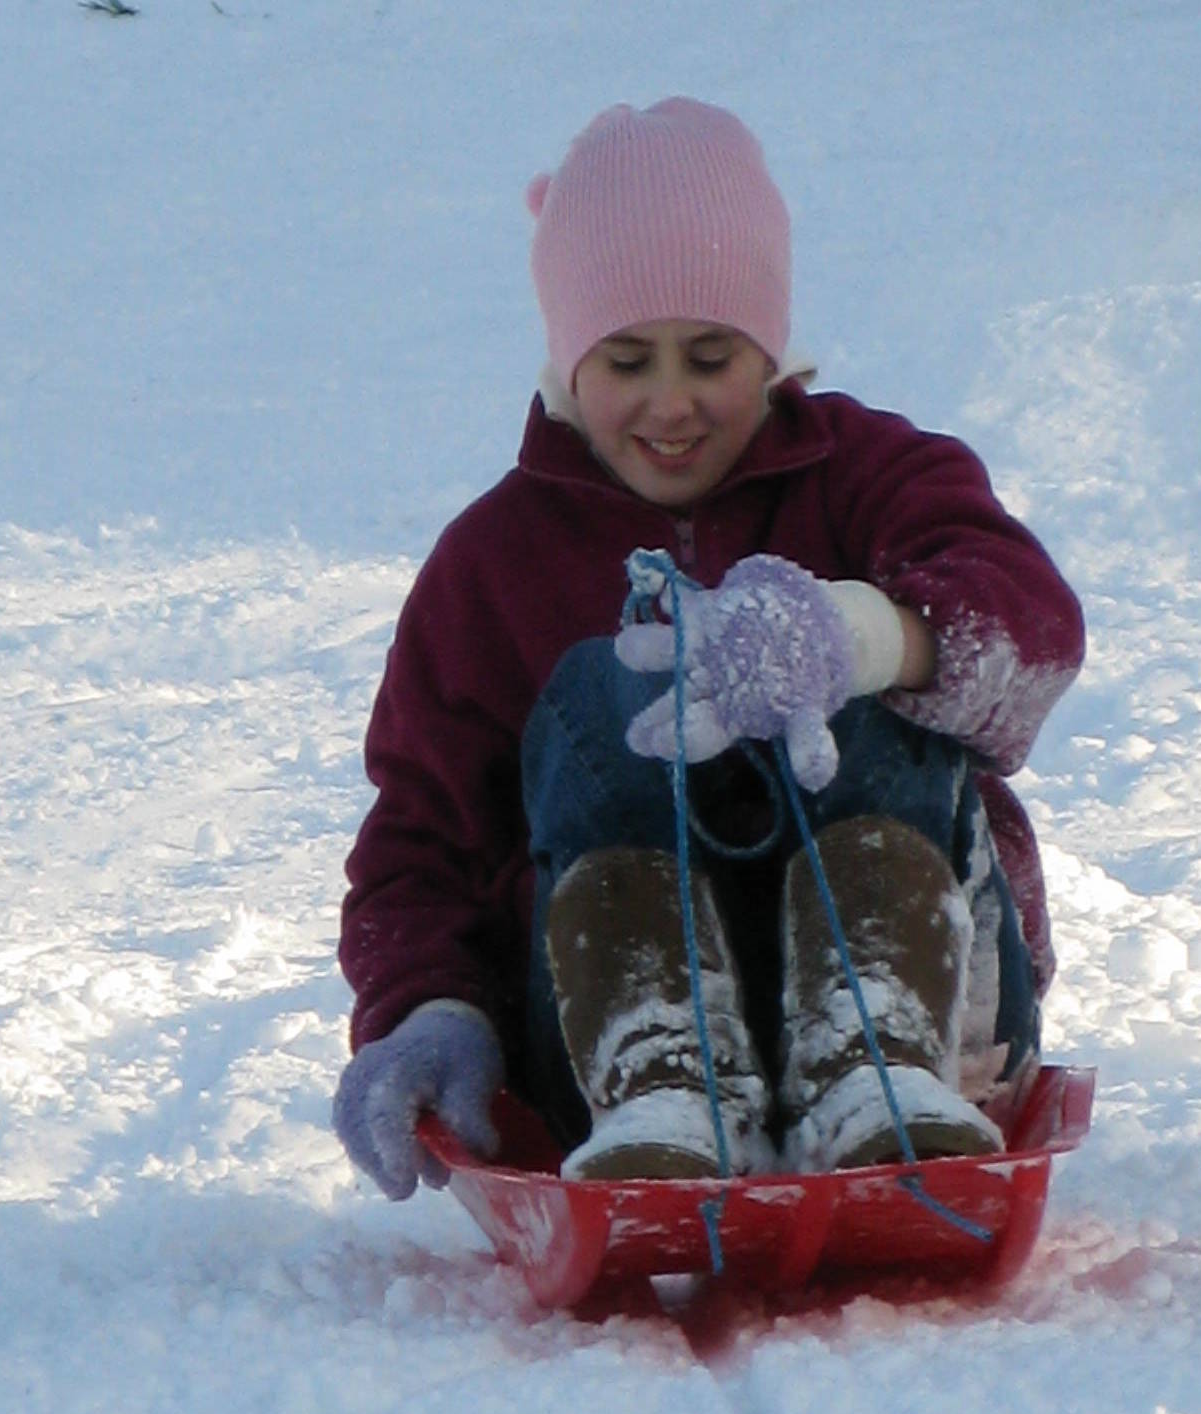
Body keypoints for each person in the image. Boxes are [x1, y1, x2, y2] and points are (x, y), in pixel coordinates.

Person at [333, 97, 1083, 1199]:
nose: (671, 402)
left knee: (840, 661)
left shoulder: (871, 478)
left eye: (711, 355)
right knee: (609, 677)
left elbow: (1033, 626)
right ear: (568, 361)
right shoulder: (493, 564)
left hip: (934, 1025)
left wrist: (862, 634)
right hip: (603, 1064)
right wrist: (429, 1010)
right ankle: (661, 1076)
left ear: (769, 351)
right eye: (627, 360)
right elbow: (421, 839)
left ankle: (876, 1060)